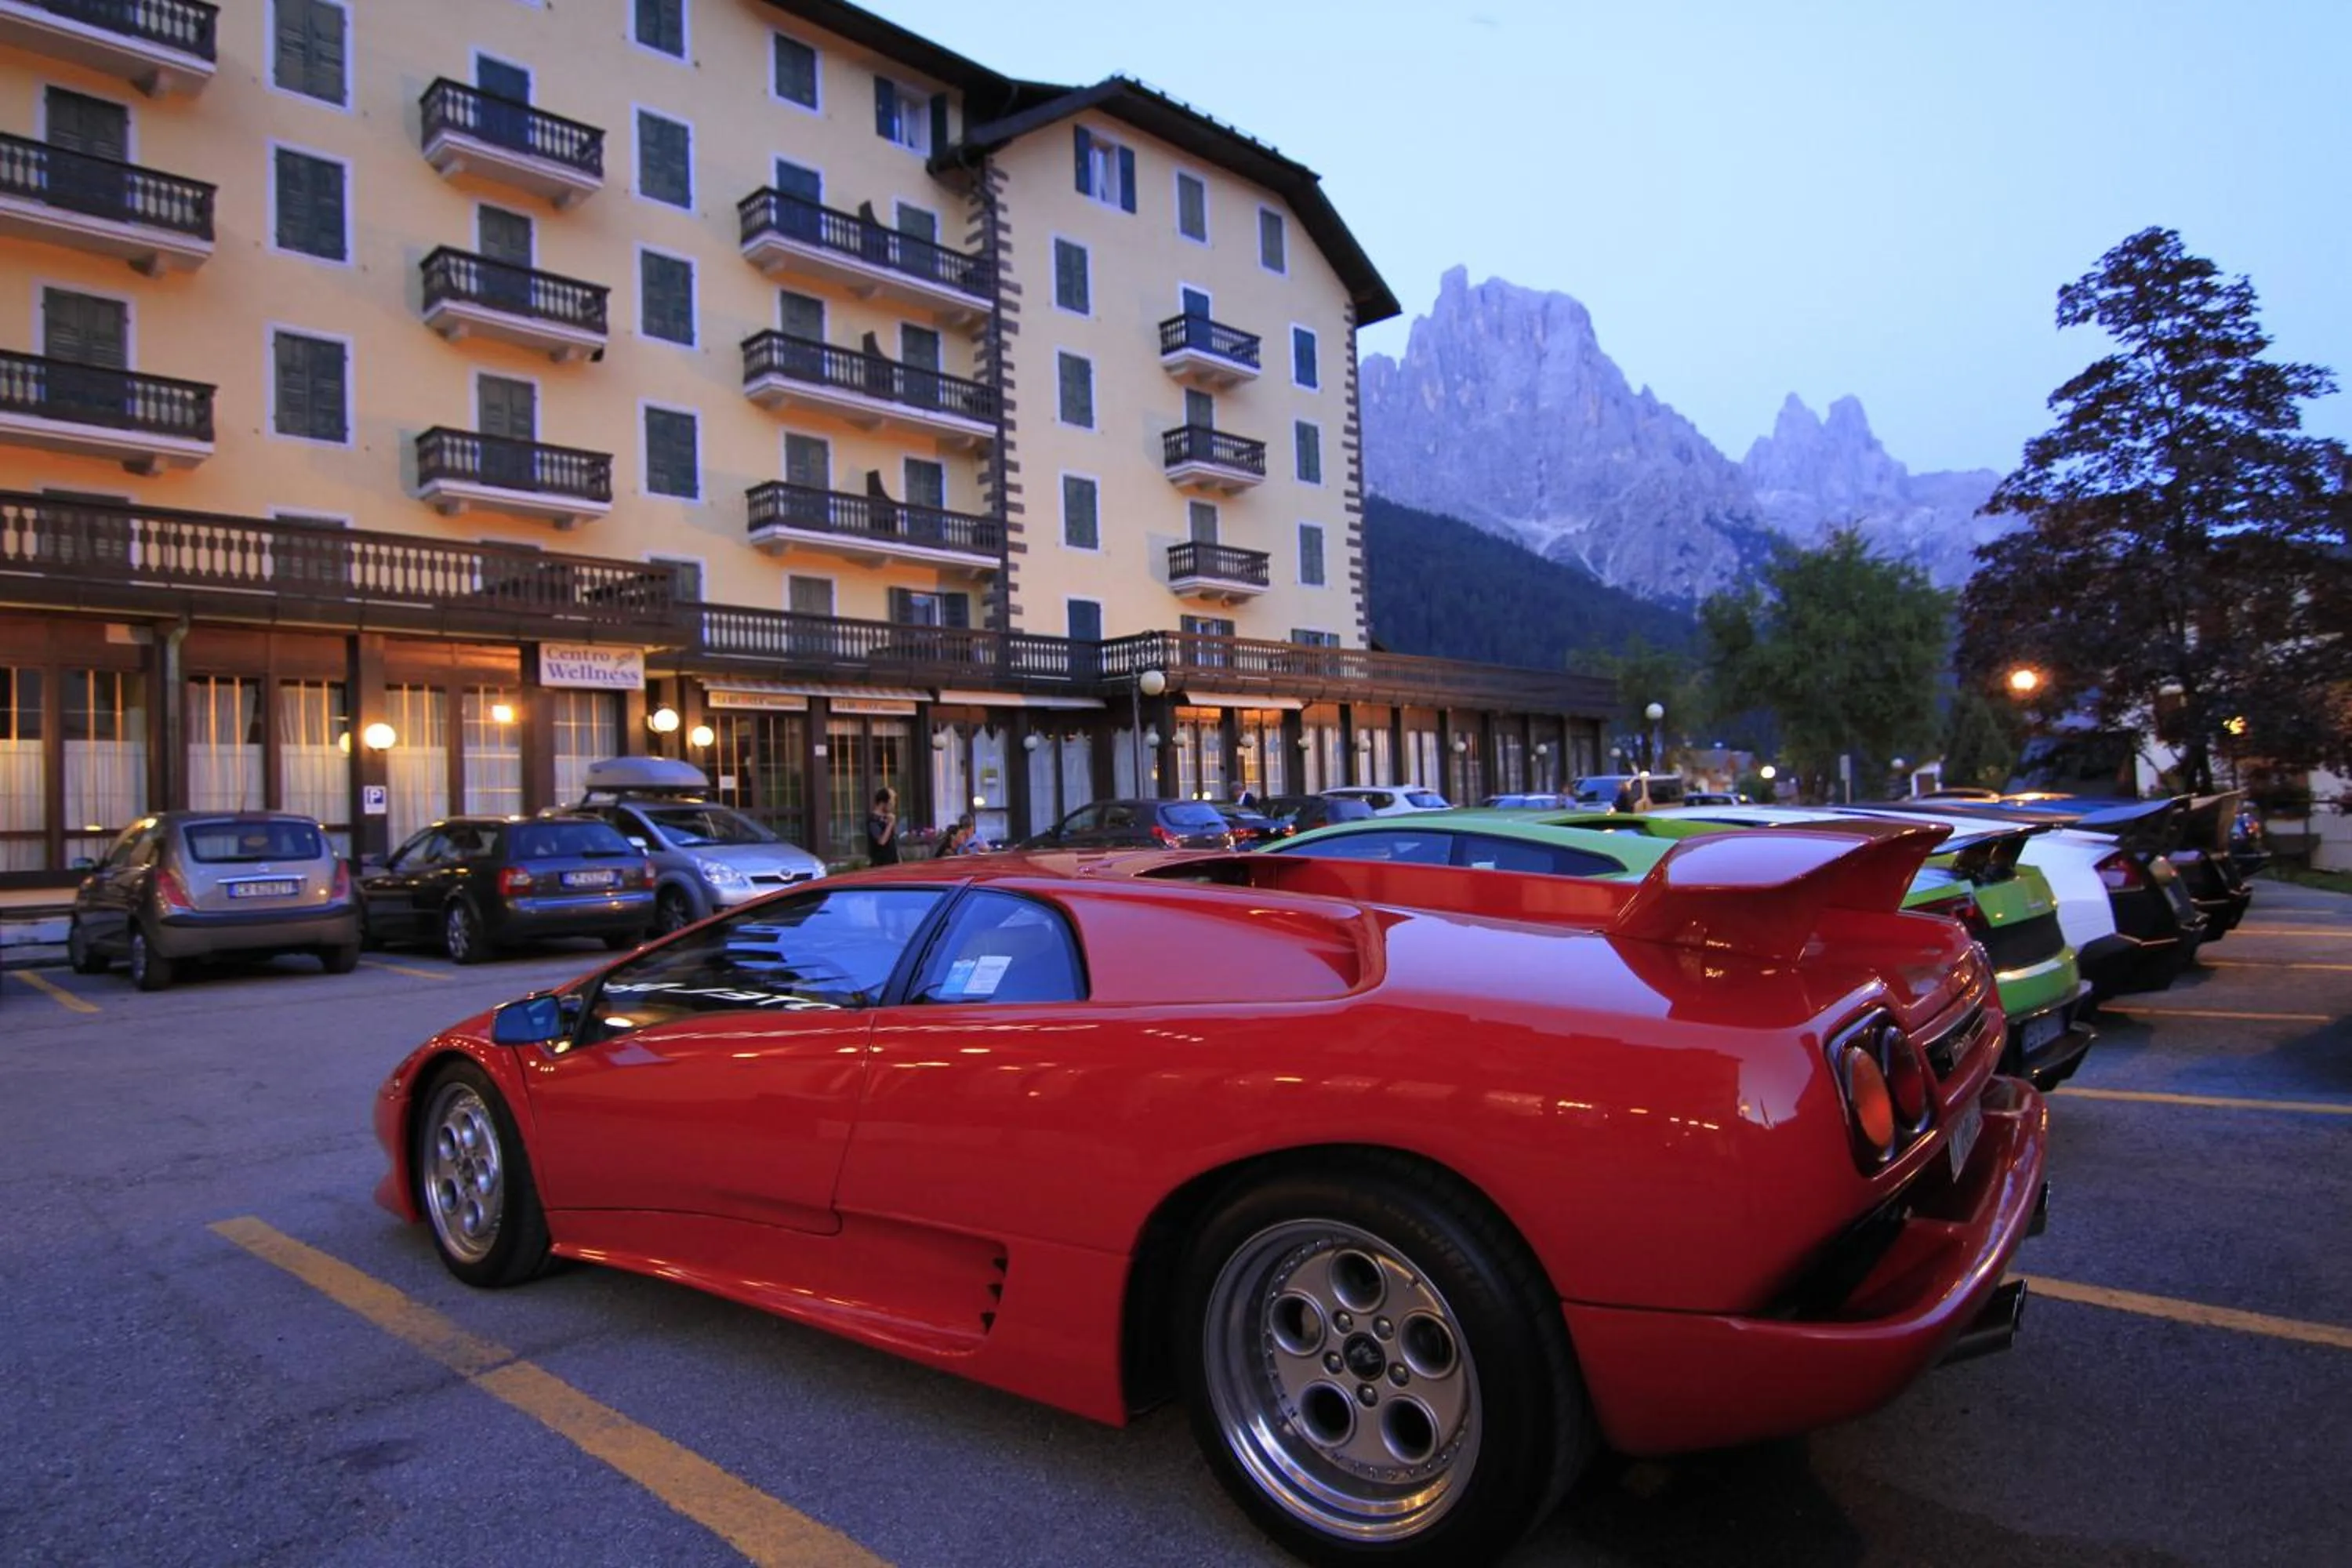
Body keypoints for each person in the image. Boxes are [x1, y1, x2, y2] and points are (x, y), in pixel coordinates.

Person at [865, 786, 900, 866]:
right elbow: (881, 841)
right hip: (881, 865)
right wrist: (890, 824)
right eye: (891, 802)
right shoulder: (873, 820)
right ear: (883, 803)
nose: (893, 805)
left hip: (892, 863)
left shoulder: (887, 818)